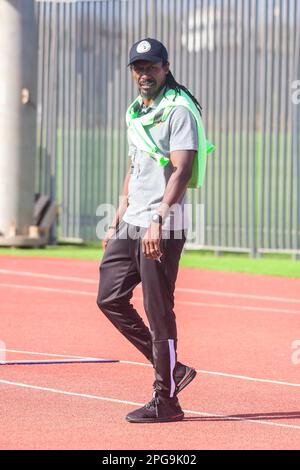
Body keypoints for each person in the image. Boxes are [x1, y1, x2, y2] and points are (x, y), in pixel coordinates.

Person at [97, 38, 205, 424]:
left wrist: (158, 219)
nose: (145, 73)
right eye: (138, 67)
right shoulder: (136, 112)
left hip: (163, 223)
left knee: (159, 312)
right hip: (132, 221)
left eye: (152, 66)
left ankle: (167, 400)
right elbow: (135, 166)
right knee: (109, 297)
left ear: (165, 67)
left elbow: (182, 170)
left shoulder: (179, 111)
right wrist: (116, 219)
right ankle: (173, 369)